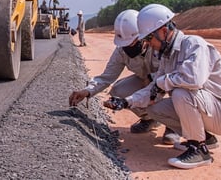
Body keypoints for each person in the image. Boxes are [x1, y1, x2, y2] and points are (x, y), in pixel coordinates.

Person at [107, 4, 221, 169]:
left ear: (163, 32)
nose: (149, 45)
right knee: (154, 109)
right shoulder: (167, 57)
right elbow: (153, 90)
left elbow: (194, 79)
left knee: (181, 93)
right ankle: (206, 139)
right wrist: (126, 102)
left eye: (149, 39)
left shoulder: (194, 45)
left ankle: (199, 150)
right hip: (211, 111)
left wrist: (161, 82)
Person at [69, 10, 179, 144]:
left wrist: (153, 78)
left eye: (132, 43)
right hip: (144, 82)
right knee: (119, 91)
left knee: (177, 88)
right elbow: (106, 77)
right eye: (125, 44)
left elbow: (175, 71)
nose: (128, 48)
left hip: (166, 80)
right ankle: (149, 118)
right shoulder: (121, 51)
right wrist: (87, 91)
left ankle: (173, 126)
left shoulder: (159, 44)